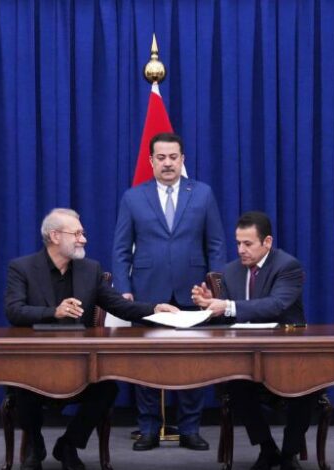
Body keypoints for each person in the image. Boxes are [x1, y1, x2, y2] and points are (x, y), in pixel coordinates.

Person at [5, 208, 177, 470]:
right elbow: (14, 311)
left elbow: (119, 305)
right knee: (22, 386)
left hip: (79, 363)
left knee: (107, 390)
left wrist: (154, 309)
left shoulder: (90, 269)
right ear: (55, 236)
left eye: (82, 233)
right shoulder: (23, 268)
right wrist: (54, 312)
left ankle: (69, 444)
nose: (83, 239)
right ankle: (34, 446)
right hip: (37, 361)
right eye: (77, 234)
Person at [112, 132, 226, 451]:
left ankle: (190, 429)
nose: (167, 163)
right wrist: (124, 290)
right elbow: (121, 249)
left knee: (192, 363)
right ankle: (149, 428)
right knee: (146, 363)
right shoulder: (133, 197)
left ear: (182, 159)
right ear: (151, 161)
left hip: (194, 292)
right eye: (160, 157)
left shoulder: (202, 193)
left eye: (173, 157)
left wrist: (216, 287)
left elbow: (216, 244)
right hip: (147, 293)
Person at [191, 211, 313, 470]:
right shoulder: (230, 271)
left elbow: (276, 305)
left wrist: (226, 306)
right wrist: (208, 305)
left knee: (307, 389)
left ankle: (289, 454)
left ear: (267, 242)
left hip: (287, 355)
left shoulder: (287, 266)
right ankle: (267, 449)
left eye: (248, 244)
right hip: (246, 358)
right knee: (236, 385)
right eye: (238, 243)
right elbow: (225, 320)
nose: (241, 250)